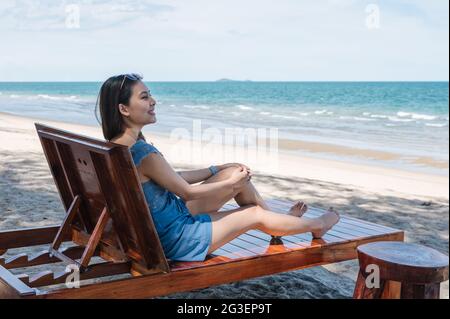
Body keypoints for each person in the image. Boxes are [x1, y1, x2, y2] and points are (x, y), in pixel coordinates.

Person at [95, 73, 339, 262]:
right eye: (144, 97)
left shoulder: (116, 147)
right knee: (252, 211)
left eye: (150, 95)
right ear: (124, 109)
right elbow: (186, 192)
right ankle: (318, 224)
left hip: (158, 226)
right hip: (176, 238)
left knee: (234, 173)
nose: (153, 101)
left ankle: (279, 225)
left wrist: (217, 169)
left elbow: (172, 178)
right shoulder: (143, 153)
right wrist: (232, 185)